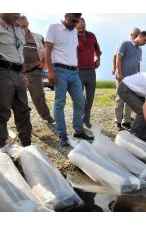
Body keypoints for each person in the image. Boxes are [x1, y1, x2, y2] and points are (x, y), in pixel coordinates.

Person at [45, 13, 93, 147]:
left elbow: (72, 51)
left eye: (77, 21)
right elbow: (47, 51)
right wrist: (50, 71)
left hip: (74, 71)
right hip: (59, 71)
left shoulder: (73, 32)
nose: (75, 24)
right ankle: (62, 135)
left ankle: (78, 130)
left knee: (80, 101)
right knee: (60, 102)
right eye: (73, 20)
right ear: (66, 16)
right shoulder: (53, 27)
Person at [0, 13, 32, 150]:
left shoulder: (18, 27)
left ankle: (27, 144)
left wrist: (23, 73)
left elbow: (20, 51)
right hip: (2, 72)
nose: (17, 14)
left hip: (18, 73)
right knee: (1, 111)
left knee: (23, 110)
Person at [15, 16, 55, 124]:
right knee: (20, 100)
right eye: (19, 26)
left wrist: (44, 63)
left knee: (38, 96)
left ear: (28, 24)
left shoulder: (38, 37)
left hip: (33, 72)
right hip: (17, 73)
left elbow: (48, 51)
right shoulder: (12, 37)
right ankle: (23, 122)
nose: (22, 29)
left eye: (24, 26)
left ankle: (46, 116)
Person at [114, 31, 146, 131]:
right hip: (122, 76)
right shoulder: (125, 43)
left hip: (133, 79)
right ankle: (117, 122)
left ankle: (126, 121)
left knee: (130, 100)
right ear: (140, 36)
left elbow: (138, 63)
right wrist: (119, 73)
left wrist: (139, 75)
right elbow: (118, 58)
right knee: (119, 99)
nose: (145, 43)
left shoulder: (140, 50)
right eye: (145, 40)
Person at [76, 17, 102, 128]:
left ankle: (86, 120)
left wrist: (98, 59)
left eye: (83, 27)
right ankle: (78, 122)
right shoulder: (72, 37)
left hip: (91, 71)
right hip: (78, 71)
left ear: (85, 25)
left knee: (90, 99)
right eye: (79, 28)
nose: (81, 30)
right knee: (79, 99)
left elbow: (97, 49)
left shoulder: (92, 35)